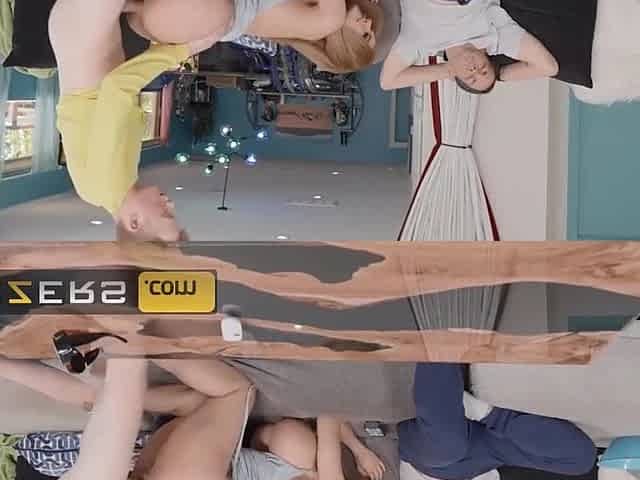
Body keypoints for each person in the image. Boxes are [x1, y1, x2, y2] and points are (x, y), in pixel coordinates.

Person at [48, 0, 215, 242]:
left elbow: (117, 87)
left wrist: (183, 50)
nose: (171, 204)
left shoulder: (106, 184)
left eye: (166, 214)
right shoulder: (117, 185)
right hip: (93, 33)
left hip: (80, 32)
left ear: (134, 222)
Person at [398, 363, 598, 480]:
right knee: (581, 460)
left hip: (431, 464)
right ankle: (484, 412)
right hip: (485, 457)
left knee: (447, 449)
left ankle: (438, 330)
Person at [127, 0, 384, 74]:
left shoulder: (330, 20)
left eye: (365, 35)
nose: (369, 23)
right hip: (193, 20)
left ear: (348, 45)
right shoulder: (314, 26)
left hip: (204, 12)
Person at [379, 0, 559, 93]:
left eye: (470, 77)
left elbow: (388, 82)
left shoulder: (420, 43)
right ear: (488, 59)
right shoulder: (494, 35)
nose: (475, 70)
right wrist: (500, 74)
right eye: (484, 70)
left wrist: (448, 70)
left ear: (456, 77)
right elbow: (549, 67)